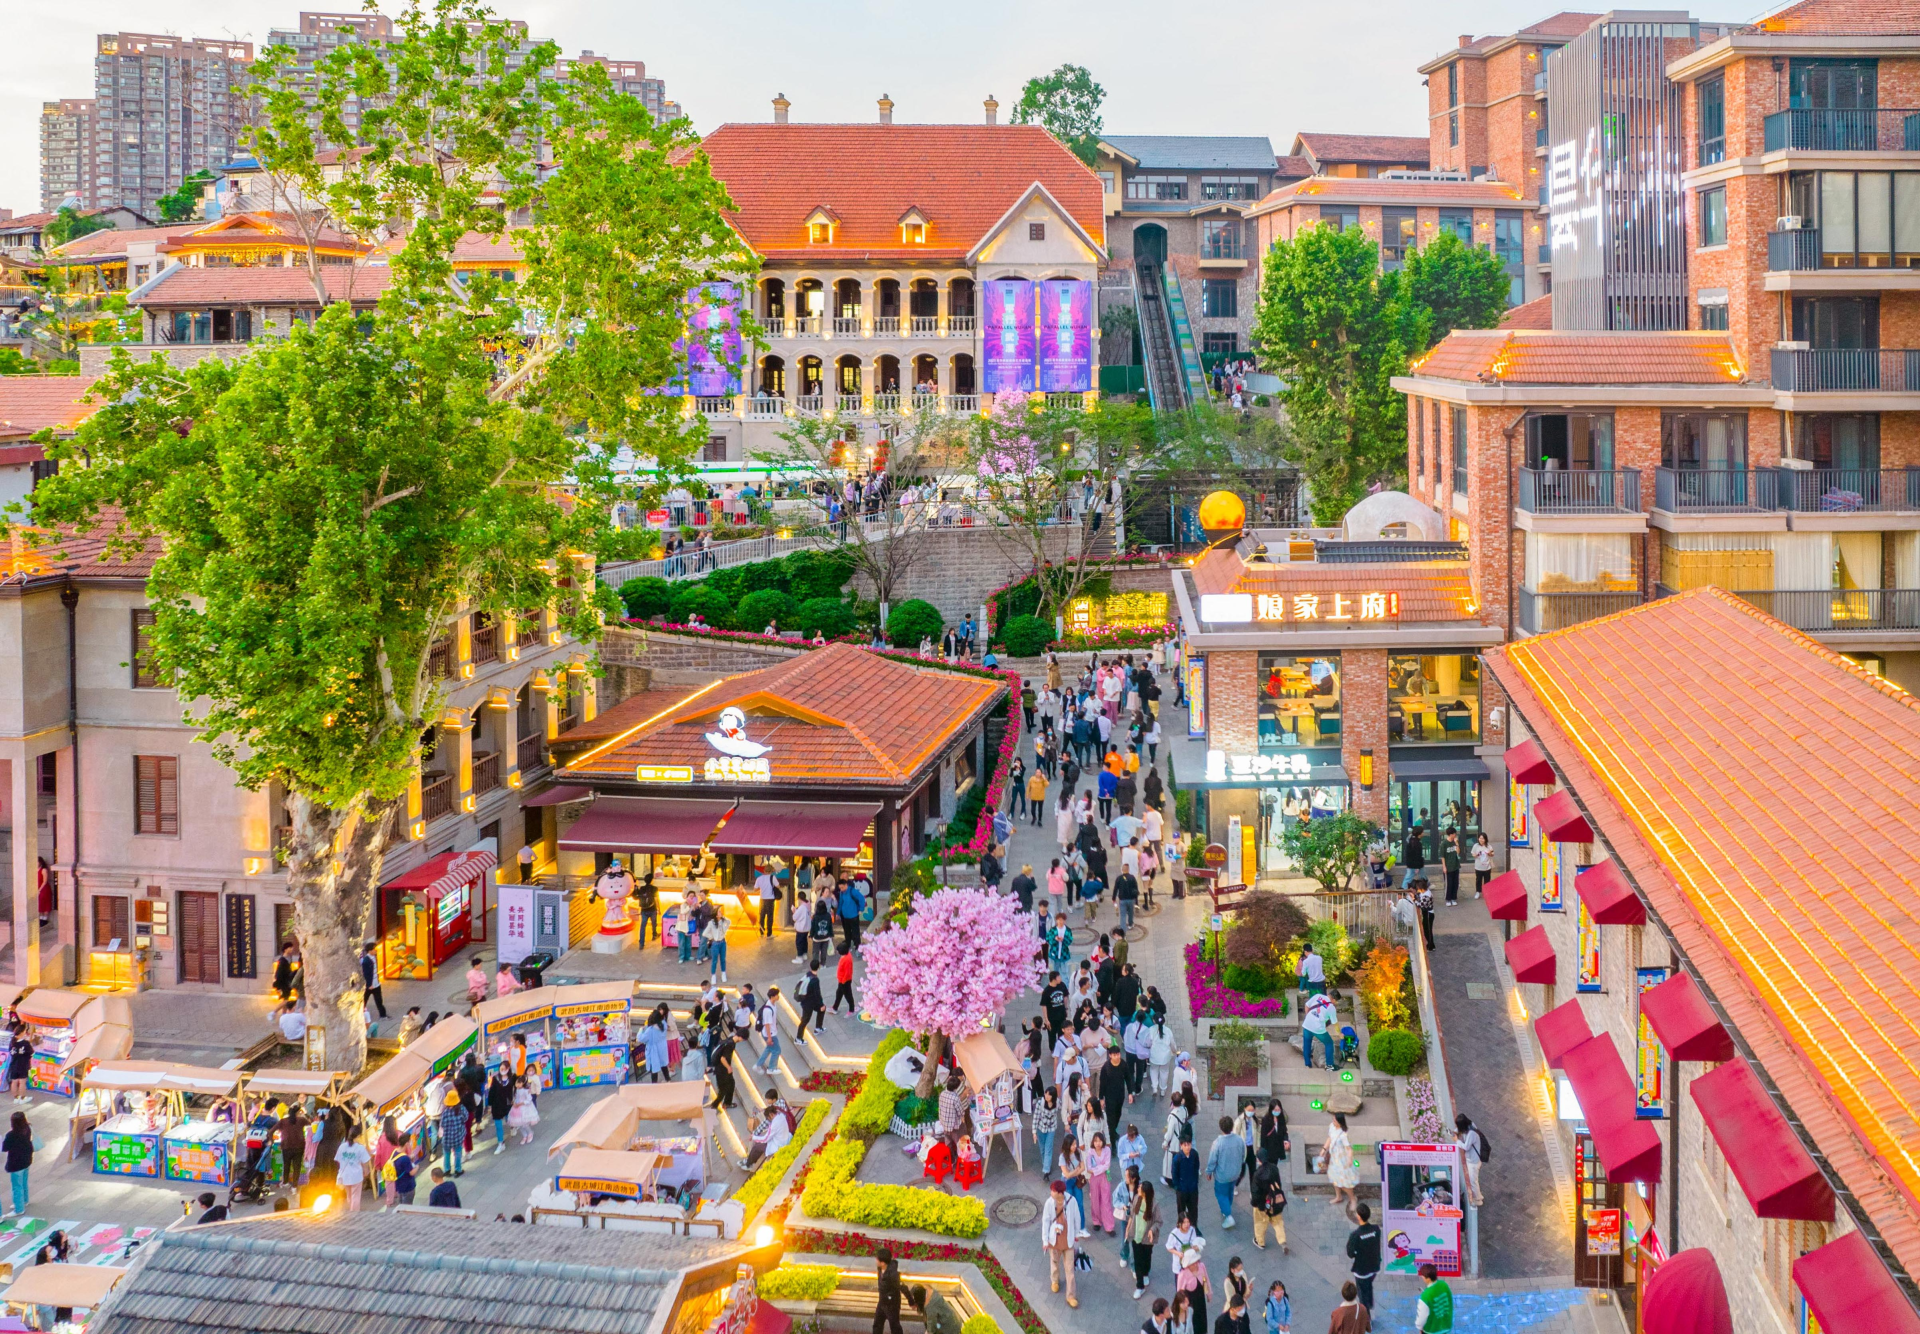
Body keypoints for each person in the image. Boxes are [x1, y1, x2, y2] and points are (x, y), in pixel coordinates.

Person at [1041, 1180, 1082, 1308]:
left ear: (1060, 1193)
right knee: (1054, 1261)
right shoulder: (1049, 1203)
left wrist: (1077, 1234)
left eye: (1053, 1190)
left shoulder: (1071, 1201)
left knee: (1070, 1269)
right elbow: (1045, 1222)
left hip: (1068, 1240)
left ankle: (1071, 1296)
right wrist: (1045, 1240)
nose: (1051, 1192)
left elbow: (1077, 1218)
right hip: (1054, 1239)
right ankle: (1055, 1280)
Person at [1205, 1115, 1246, 1229]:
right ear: (1232, 1127)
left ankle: (1228, 1215)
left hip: (1222, 1175)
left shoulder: (1218, 1143)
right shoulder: (1239, 1140)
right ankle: (1227, 1208)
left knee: (1221, 1194)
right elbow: (1243, 1155)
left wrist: (1209, 1172)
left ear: (1221, 1128)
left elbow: (1212, 1160)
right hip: (1235, 1173)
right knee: (1230, 1191)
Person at [1322, 1113, 1360, 1218]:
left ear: (1340, 1122)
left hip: (1342, 1161)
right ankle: (1338, 1196)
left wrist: (1349, 1159)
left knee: (1344, 1182)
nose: (1333, 1121)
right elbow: (1329, 1138)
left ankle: (1353, 1198)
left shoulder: (1343, 1135)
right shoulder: (1332, 1127)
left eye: (1335, 1120)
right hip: (1334, 1159)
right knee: (1334, 1178)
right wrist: (1324, 1149)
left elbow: (1349, 1149)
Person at [1345, 1203, 1382, 1312]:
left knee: (1362, 1294)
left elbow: (1350, 1253)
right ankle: (1370, 1304)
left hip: (1362, 1270)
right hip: (1374, 1267)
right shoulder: (1376, 1229)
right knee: (1369, 1286)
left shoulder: (1355, 1235)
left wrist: (1357, 1253)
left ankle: (1366, 1315)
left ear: (1359, 1216)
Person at [1250, 1152, 1288, 1252]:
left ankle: (1260, 1242)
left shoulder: (1258, 1174)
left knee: (1260, 1223)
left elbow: (1255, 1192)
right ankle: (1282, 1241)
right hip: (1274, 1202)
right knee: (1278, 1222)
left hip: (1263, 1204)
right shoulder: (1274, 1168)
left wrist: (1255, 1203)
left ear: (1259, 1160)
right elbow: (1278, 1183)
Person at [1, 1111, 31, 1217]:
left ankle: (19, 1209)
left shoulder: (11, 1135)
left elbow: (5, 1148)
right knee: (24, 1182)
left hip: (16, 1164)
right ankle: (25, 1200)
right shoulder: (27, 1129)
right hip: (26, 1160)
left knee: (16, 1186)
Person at [335, 1131, 372, 1211]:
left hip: (345, 1175)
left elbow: (338, 1160)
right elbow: (365, 1161)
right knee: (355, 1196)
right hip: (356, 1175)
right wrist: (366, 1170)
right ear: (358, 1136)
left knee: (349, 1195)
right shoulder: (360, 1148)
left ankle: (351, 1209)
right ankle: (354, 1212)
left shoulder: (342, 1146)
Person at [1454, 1113, 1486, 1207]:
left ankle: (1478, 1200)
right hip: (1473, 1159)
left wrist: (1456, 1140)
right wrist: (1455, 1132)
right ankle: (1479, 1196)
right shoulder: (1471, 1125)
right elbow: (1460, 1131)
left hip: (1474, 1161)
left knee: (1473, 1181)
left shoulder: (1472, 1134)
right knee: (1473, 1180)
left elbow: (1466, 1147)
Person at [1300, 992, 1337, 1069]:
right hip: (1318, 1029)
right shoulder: (1331, 1007)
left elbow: (1307, 1005)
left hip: (1307, 1024)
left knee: (1307, 1044)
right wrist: (1340, 1033)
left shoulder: (1318, 996)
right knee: (1329, 1043)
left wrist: (1308, 1017)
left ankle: (1307, 1064)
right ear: (1333, 999)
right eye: (1335, 1001)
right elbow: (1334, 1023)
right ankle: (1329, 1065)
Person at [1414, 1263, 1453, 1333]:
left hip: (1432, 1330)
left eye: (1423, 1276)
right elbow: (1450, 1302)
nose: (1422, 1278)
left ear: (1428, 1279)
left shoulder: (1425, 1296)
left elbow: (1422, 1317)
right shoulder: (1444, 1284)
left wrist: (1419, 1327)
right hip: (1446, 1327)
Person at [873, 1248, 904, 1334]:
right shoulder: (880, 1268)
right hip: (882, 1301)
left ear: (883, 1263)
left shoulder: (893, 1274)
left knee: (894, 1326)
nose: (875, 1260)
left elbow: (902, 1287)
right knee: (877, 1324)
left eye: (877, 1259)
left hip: (892, 1304)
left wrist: (911, 1301)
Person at [754, 987, 782, 1075]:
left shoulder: (772, 1005)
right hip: (770, 1034)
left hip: (771, 1032)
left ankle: (758, 1065)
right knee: (776, 1050)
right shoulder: (768, 1010)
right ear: (772, 997)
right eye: (777, 995)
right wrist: (769, 1038)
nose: (778, 996)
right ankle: (771, 1068)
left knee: (769, 1049)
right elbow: (767, 1024)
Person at [486, 1068, 515, 1154]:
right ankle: (501, 1143)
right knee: (498, 1125)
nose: (503, 1070)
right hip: (496, 1105)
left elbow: (514, 1089)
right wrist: (490, 1105)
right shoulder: (495, 1079)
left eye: (505, 1068)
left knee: (508, 1119)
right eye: (501, 1068)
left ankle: (513, 1127)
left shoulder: (511, 1078)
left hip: (507, 1104)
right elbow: (491, 1092)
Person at [360, 941, 386, 1019]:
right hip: (369, 985)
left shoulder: (374, 957)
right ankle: (360, 1014)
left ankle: (383, 1015)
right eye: (374, 949)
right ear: (370, 950)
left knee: (379, 1000)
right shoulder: (366, 961)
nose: (376, 950)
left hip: (376, 983)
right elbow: (366, 974)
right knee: (364, 1000)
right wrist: (369, 984)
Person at [388, 1140, 417, 1207]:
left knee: (401, 1204)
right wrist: (417, 1167)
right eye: (410, 1142)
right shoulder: (405, 1158)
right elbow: (411, 1172)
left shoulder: (395, 1152)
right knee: (407, 1207)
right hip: (408, 1186)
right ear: (406, 1144)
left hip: (399, 1185)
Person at [6, 1029, 32, 1104]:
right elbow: (31, 1053)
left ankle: (16, 1098)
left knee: (14, 1082)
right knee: (22, 1082)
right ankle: (22, 1098)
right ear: (21, 1033)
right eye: (24, 1031)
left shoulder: (12, 1042)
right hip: (23, 1065)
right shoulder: (26, 1043)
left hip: (13, 1064)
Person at [755, 864, 779, 937]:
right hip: (770, 899)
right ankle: (769, 933)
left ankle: (761, 932)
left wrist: (762, 887)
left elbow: (755, 889)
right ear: (771, 871)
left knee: (762, 916)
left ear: (764, 871)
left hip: (762, 899)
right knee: (770, 917)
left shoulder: (759, 878)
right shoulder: (773, 878)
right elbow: (778, 886)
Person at [1470, 833, 1493, 899]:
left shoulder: (1488, 846)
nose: (1481, 840)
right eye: (1480, 838)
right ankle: (1478, 892)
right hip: (1478, 867)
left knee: (1487, 880)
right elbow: (1473, 854)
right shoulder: (1476, 846)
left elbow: (1492, 854)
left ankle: (1487, 892)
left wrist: (1489, 853)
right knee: (1478, 880)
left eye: (1483, 838)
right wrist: (1477, 854)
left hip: (1487, 867)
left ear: (1485, 839)